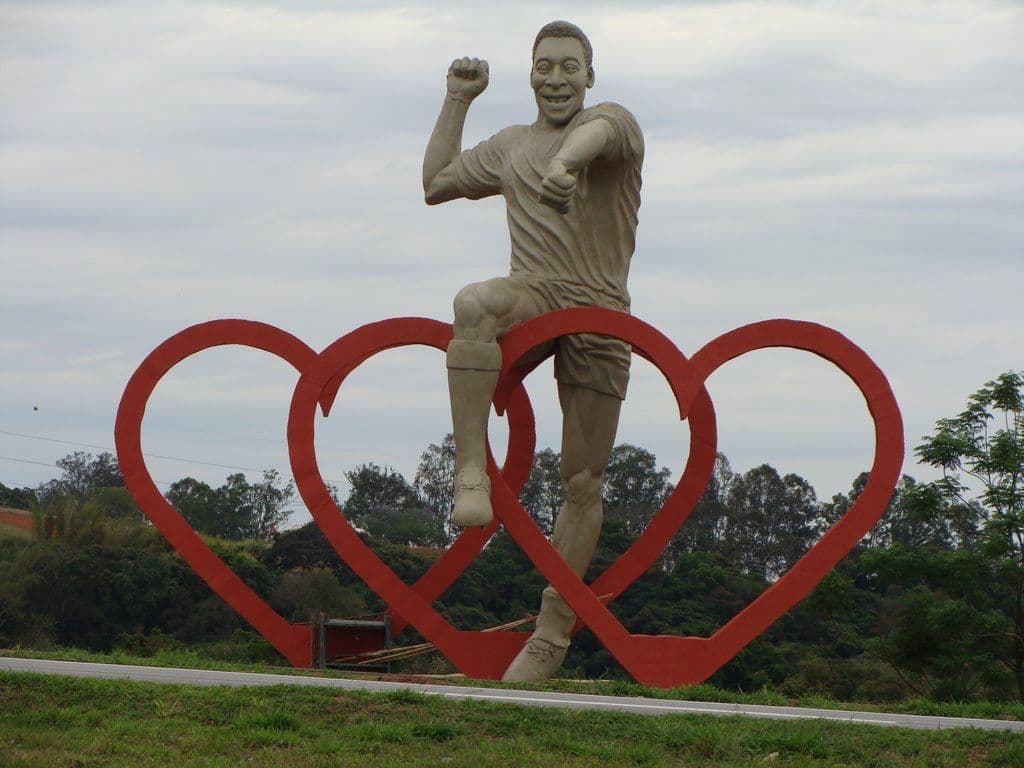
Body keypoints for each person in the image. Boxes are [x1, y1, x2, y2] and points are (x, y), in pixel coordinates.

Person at [422, 20, 643, 681]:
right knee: (473, 305)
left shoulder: (614, 123)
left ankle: (551, 634)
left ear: (589, 76)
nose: (555, 78)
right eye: (544, 66)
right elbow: (435, 183)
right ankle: (470, 474)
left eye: (568, 67)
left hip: (600, 313)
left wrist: (567, 165)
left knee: (582, 483)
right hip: (534, 295)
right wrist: (458, 100)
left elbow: (596, 136)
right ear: (529, 75)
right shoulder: (512, 144)